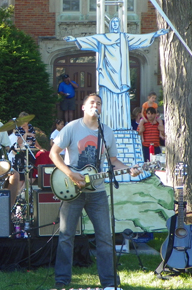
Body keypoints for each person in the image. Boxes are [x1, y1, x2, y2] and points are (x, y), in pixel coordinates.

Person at [49, 93, 140, 289]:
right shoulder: (72, 127)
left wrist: (129, 168)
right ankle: (62, 281)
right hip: (72, 190)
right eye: (92, 102)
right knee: (66, 236)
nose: (95, 105)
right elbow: (53, 153)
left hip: (97, 192)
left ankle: (110, 283)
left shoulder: (106, 132)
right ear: (83, 107)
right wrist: (70, 174)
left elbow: (113, 161)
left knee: (105, 237)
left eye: (99, 103)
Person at [65, 17, 168, 130]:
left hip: (120, 74)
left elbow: (139, 38)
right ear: (110, 25)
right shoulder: (103, 38)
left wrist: (155, 34)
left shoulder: (124, 38)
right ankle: (107, 125)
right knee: (108, 100)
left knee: (121, 100)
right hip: (107, 74)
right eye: (113, 23)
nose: (114, 25)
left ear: (119, 25)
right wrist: (75, 39)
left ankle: (122, 126)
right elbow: (91, 39)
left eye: (117, 23)